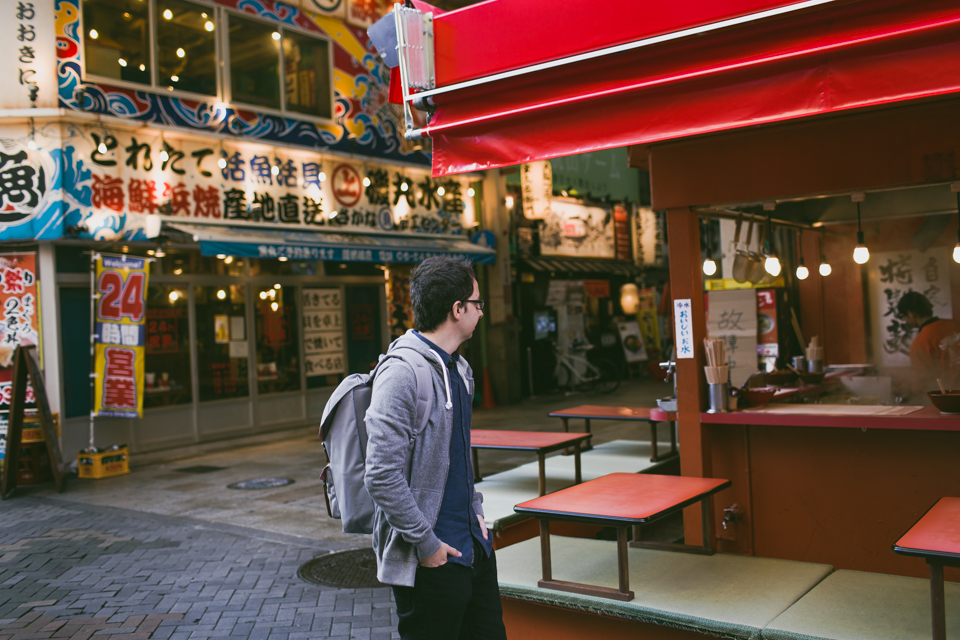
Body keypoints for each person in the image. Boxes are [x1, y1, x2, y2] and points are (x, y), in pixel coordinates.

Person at [364, 256, 507, 640]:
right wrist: (427, 545)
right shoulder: (401, 373)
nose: (481, 311)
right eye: (477, 303)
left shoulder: (460, 368)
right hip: (430, 560)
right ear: (457, 309)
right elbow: (380, 474)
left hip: (474, 549)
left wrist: (476, 512)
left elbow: (459, 457)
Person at [896, 291, 960, 396]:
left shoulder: (921, 342)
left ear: (911, 314)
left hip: (952, 398)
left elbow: (922, 383)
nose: (906, 321)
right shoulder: (957, 325)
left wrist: (910, 395)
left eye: (904, 318)